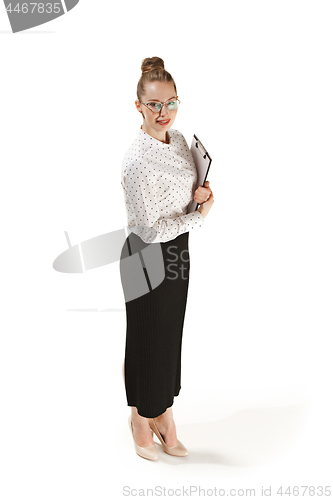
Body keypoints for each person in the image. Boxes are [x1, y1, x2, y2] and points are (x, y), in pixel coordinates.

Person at [119, 57, 214, 460]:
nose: (164, 113)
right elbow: (150, 230)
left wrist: (199, 193)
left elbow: (182, 186)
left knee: (168, 336)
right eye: (155, 104)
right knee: (146, 339)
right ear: (138, 106)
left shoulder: (176, 139)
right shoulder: (136, 161)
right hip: (145, 255)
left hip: (176, 250)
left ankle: (163, 411)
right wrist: (199, 217)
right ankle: (142, 416)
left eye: (171, 103)